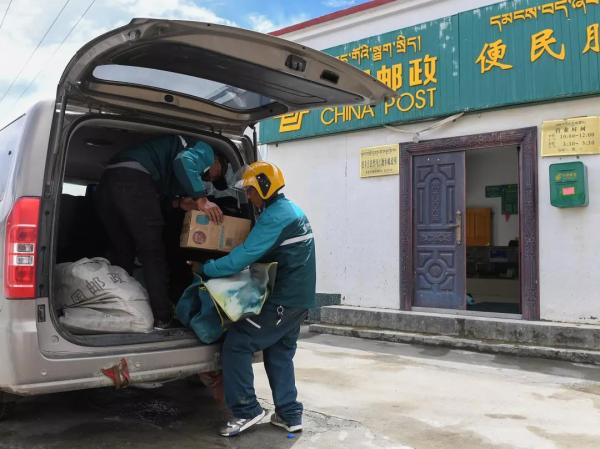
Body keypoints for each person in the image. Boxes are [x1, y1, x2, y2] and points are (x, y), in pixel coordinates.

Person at [199, 161, 316, 437]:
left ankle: (246, 410)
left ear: (264, 187)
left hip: (283, 301)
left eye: (250, 191)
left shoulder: (276, 217)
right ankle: (289, 415)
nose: (248, 197)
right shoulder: (290, 210)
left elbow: (243, 256)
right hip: (299, 300)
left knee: (238, 343)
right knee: (279, 351)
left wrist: (207, 268)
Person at [96, 134, 227, 328]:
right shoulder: (205, 150)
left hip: (108, 181)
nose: (211, 178)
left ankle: (119, 310)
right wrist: (201, 199)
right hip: (134, 176)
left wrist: (179, 203)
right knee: (152, 253)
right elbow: (183, 161)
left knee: (122, 252)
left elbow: (154, 197)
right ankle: (163, 317)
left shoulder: (172, 174)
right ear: (217, 160)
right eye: (218, 173)